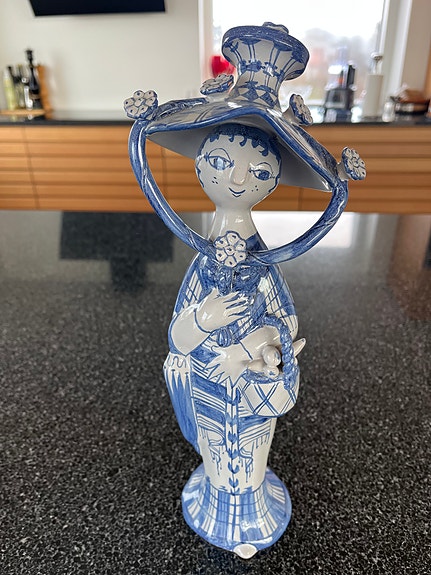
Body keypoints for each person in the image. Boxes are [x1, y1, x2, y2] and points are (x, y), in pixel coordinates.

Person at [163, 123, 305, 556]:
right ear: (200, 168)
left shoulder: (263, 264)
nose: (238, 179)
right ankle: (217, 500)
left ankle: (251, 505)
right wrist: (202, 319)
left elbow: (288, 324)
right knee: (213, 450)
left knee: (252, 450)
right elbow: (177, 340)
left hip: (252, 386)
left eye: (259, 172)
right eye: (221, 163)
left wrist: (247, 351)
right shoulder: (203, 264)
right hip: (208, 386)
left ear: (273, 181)